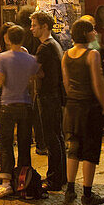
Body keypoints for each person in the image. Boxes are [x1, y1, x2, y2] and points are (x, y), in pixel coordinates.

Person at [62, 19, 104, 205]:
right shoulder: (92, 55)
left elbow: (66, 83)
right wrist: (103, 104)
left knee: (73, 147)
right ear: (85, 33)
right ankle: (87, 194)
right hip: (89, 106)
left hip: (73, 106)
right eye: (92, 30)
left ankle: (70, 189)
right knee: (90, 150)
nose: (95, 33)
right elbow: (97, 82)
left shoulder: (66, 55)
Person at [0, 25, 41, 199]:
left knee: (6, 144)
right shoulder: (31, 59)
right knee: (25, 144)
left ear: (8, 39)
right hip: (26, 104)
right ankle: (23, 182)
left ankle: (6, 184)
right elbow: (34, 79)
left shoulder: (2, 58)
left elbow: (0, 80)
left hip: (7, 104)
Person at [30, 11, 67, 191]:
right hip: (55, 95)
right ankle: (61, 176)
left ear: (44, 26)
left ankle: (54, 179)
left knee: (51, 138)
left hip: (47, 96)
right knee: (57, 136)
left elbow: (37, 71)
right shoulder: (55, 44)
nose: (31, 29)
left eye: (34, 25)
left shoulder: (44, 48)